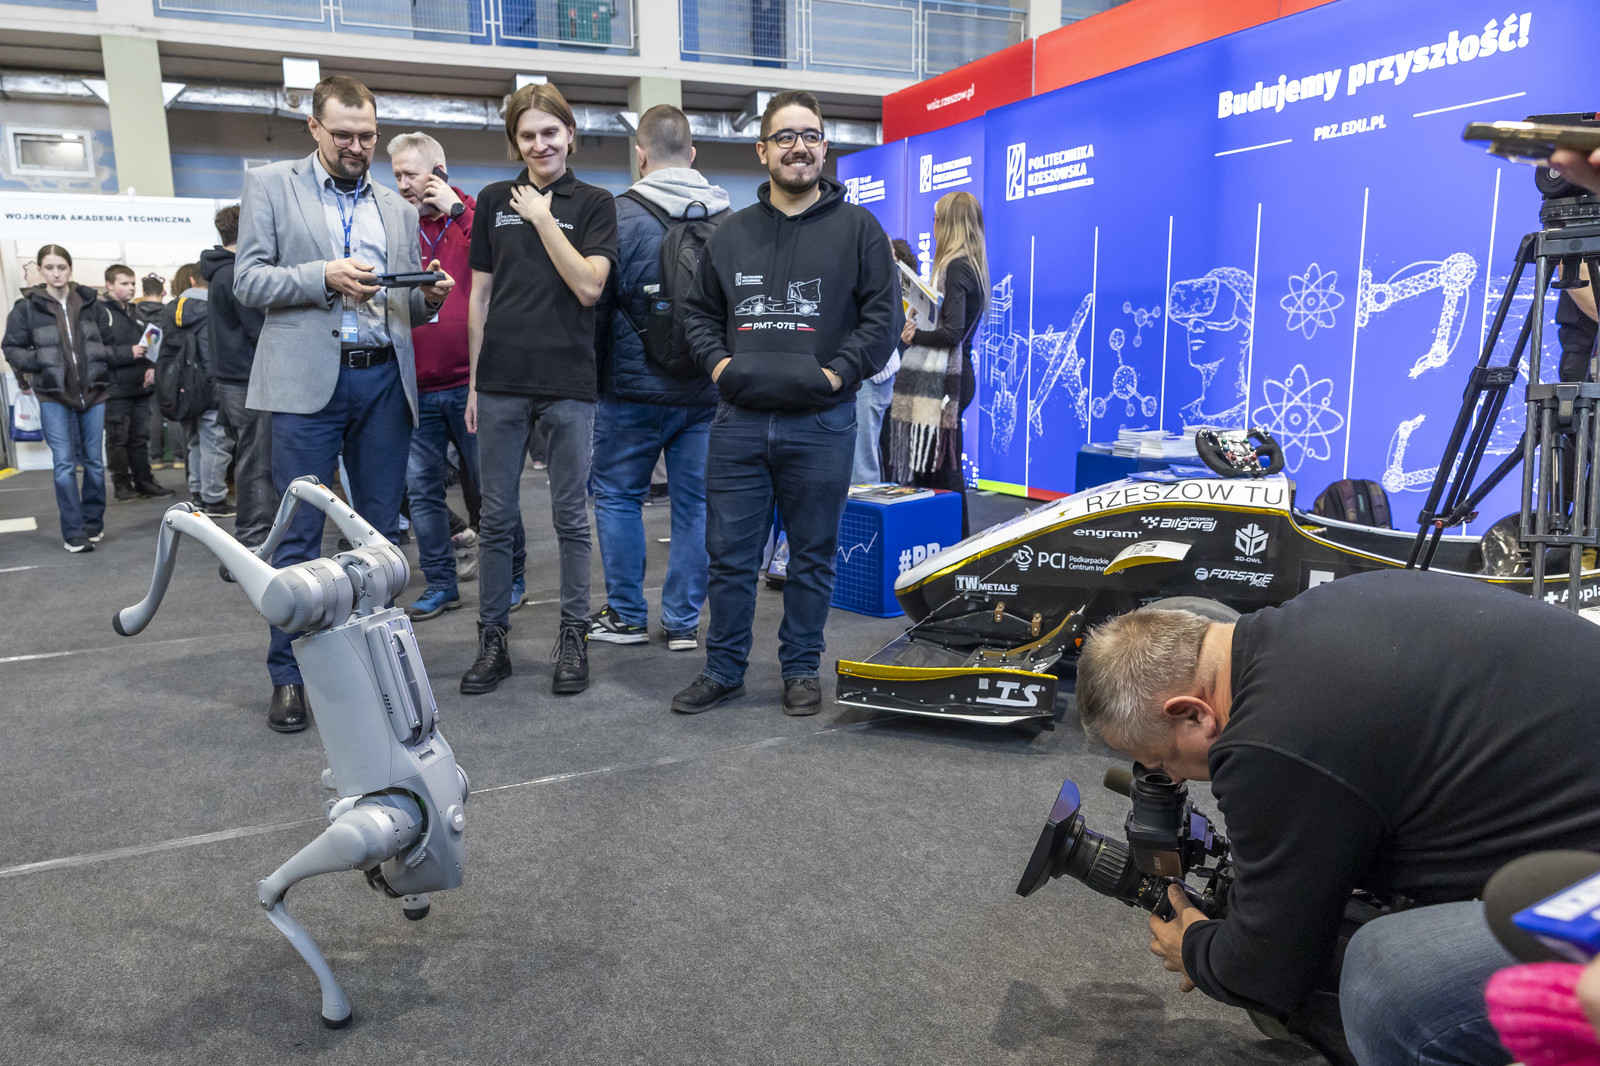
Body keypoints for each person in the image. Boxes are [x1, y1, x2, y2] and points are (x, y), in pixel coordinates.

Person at [1073, 569, 1600, 1064]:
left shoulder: (1271, 742)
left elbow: (1266, 970)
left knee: (1388, 975)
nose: (1173, 777)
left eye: (1160, 760)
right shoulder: (1325, 609)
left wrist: (1194, 948)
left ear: (1192, 712)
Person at [234, 74, 454, 733]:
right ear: (314, 127)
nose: (357, 147)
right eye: (343, 135)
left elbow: (404, 305)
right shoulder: (271, 185)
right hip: (306, 385)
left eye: (367, 136)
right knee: (298, 534)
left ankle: (364, 668)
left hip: (384, 381)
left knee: (377, 536)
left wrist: (428, 298)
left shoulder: (396, 207)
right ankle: (289, 674)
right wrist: (322, 276)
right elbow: (249, 280)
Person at [671, 89, 898, 717]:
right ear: (762, 149)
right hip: (738, 422)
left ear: (824, 148)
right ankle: (723, 670)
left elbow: (881, 319)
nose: (799, 146)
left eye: (811, 135)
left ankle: (801, 668)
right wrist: (720, 366)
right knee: (729, 559)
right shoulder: (731, 233)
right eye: (786, 136)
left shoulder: (859, 230)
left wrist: (837, 375)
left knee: (812, 557)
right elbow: (698, 315)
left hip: (822, 422)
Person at [461, 82, 617, 697]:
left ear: (569, 134)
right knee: (496, 519)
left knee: (570, 518)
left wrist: (544, 217)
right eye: (527, 135)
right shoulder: (492, 201)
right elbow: (479, 298)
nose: (539, 144)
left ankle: (574, 637)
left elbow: (589, 287)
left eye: (550, 132)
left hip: (567, 382)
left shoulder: (595, 203)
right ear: (514, 142)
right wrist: (475, 383)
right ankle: (492, 639)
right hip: (500, 381)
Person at [589, 103, 729, 651]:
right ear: (692, 154)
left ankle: (626, 616)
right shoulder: (731, 219)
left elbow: (598, 307)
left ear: (640, 156)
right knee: (697, 506)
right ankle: (682, 623)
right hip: (706, 388)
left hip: (630, 390)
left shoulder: (617, 215)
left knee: (618, 496)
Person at [386, 130, 527, 622]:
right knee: (423, 493)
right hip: (416, 386)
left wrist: (456, 209)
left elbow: (508, 265)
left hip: (475, 383)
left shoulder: (477, 214)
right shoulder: (396, 224)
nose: (402, 185)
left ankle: (511, 577)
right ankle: (442, 584)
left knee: (494, 490)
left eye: (410, 174)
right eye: (396, 175)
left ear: (439, 172)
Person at [887, 191, 987, 536]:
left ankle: (955, 547)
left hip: (947, 380)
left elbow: (952, 333)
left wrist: (915, 336)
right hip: (954, 377)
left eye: (936, 219)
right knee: (940, 467)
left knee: (943, 470)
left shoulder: (955, 267)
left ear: (948, 224)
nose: (933, 226)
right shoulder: (970, 265)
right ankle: (950, 545)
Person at [2, 244, 111, 552]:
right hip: (53, 394)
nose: (56, 273)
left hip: (94, 392)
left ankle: (93, 523)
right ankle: (74, 532)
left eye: (61, 267)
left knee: (94, 462)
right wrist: (40, 361)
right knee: (63, 463)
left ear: (70, 269)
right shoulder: (26, 307)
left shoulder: (90, 303)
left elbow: (107, 343)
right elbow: (11, 347)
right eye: (49, 267)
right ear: (40, 270)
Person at [201, 204, 271, 549]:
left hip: (233, 379)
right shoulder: (236, 274)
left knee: (250, 456)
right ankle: (254, 536)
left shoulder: (220, 272)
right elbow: (259, 330)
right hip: (246, 379)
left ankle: (255, 533)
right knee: (257, 461)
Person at [161, 263, 234, 517]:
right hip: (212, 384)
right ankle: (214, 499)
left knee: (194, 442)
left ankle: (198, 494)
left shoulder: (170, 310)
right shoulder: (215, 307)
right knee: (216, 443)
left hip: (181, 389)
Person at [98, 263, 173, 502]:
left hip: (140, 387)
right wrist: (127, 353)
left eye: (132, 283)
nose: (130, 288)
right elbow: (94, 351)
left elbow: (150, 344)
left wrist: (151, 366)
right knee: (117, 440)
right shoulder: (100, 313)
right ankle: (122, 485)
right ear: (109, 285)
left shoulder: (136, 311)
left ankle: (144, 481)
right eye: (124, 283)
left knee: (140, 439)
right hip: (114, 388)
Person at [851, 238, 915, 484]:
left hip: (872, 373)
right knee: (866, 457)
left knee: (862, 464)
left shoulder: (881, 281)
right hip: (872, 373)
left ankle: (866, 508)